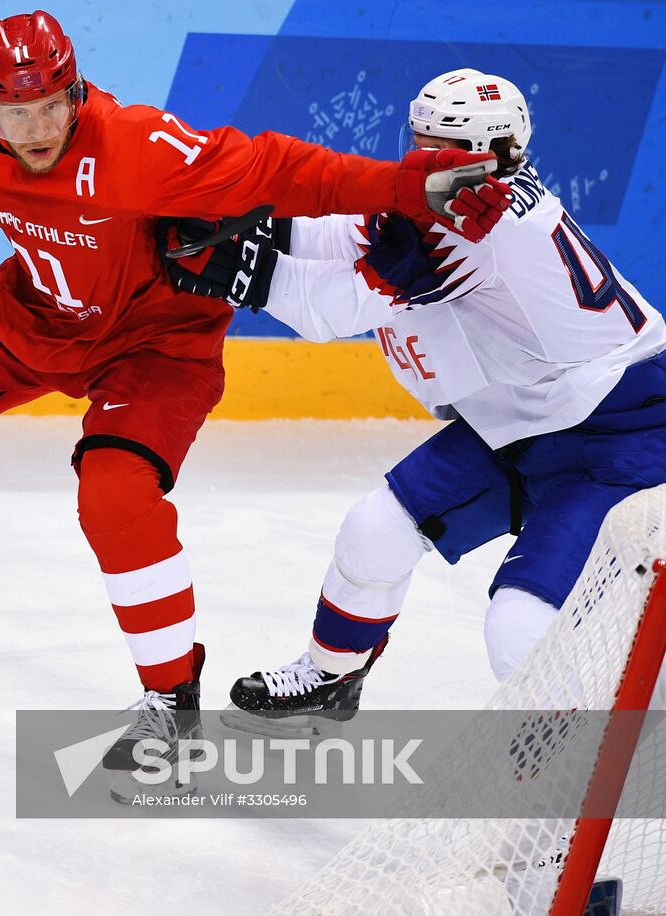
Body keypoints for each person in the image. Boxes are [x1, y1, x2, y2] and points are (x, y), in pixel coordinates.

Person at [0, 16, 509, 770]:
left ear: (76, 93)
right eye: (14, 114)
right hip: (32, 308)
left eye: (51, 110)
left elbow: (280, 167)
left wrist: (398, 189)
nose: (35, 132)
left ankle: (171, 700)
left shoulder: (137, 147)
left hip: (159, 339)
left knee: (115, 493)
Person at [159, 68, 666, 730]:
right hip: (534, 416)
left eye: (434, 145)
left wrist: (245, 270)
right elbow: (353, 231)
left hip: (621, 439)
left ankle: (588, 780)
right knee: (376, 528)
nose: (416, 157)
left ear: (483, 154)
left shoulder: (476, 228)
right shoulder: (476, 199)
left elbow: (330, 310)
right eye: (417, 138)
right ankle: (331, 674)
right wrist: (238, 224)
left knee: (519, 627)